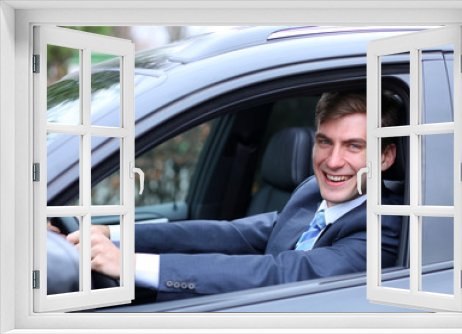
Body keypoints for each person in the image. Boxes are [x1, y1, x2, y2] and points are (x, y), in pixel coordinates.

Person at [63, 91, 403, 301]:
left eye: (353, 146)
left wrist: (131, 264)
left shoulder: (384, 228)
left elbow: (277, 273)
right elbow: (232, 234)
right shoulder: (312, 192)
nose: (331, 161)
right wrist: (113, 235)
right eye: (325, 141)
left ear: (386, 156)